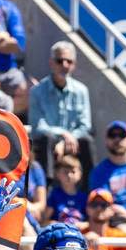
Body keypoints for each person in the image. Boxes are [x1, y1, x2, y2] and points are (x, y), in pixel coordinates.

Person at [29, 41, 93, 177]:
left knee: (87, 142)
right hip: (48, 143)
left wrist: (65, 142)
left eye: (69, 61)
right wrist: (62, 134)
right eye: (59, 61)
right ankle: (47, 190)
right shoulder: (37, 91)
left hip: (71, 143)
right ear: (51, 63)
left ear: (74, 65)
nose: (64, 65)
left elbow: (85, 125)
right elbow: (37, 127)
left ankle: (90, 192)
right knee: (45, 139)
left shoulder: (81, 91)